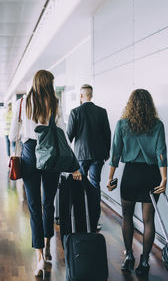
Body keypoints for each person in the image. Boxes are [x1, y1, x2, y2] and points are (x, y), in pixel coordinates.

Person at [9, 70, 81, 277]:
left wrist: (26, 130)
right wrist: (74, 165)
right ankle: (48, 244)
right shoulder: (55, 103)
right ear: (49, 84)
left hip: (30, 155)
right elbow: (63, 136)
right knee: (48, 203)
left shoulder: (22, 103)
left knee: (34, 207)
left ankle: (39, 257)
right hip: (51, 156)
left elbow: (14, 135)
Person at [107, 89, 167, 276]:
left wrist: (110, 177)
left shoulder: (122, 124)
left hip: (131, 175)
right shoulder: (157, 125)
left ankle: (129, 257)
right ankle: (145, 262)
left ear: (130, 104)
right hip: (151, 176)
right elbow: (161, 153)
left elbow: (115, 153)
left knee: (127, 217)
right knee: (149, 220)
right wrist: (165, 178)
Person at [67, 84, 111, 230]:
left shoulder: (75, 112)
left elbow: (69, 136)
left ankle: (80, 222)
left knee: (79, 188)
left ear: (81, 96)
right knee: (94, 186)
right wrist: (107, 153)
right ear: (91, 95)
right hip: (98, 156)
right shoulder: (101, 112)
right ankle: (94, 222)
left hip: (80, 156)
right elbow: (107, 134)